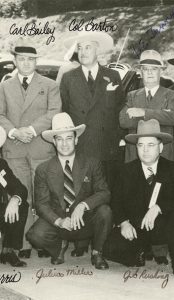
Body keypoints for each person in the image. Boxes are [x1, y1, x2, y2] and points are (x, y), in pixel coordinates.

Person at [104, 119, 174, 276]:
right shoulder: (125, 171)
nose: (145, 150)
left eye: (151, 145)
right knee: (110, 248)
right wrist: (123, 223)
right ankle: (142, 251)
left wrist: (159, 207)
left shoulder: (173, 169)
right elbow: (115, 201)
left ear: (161, 147)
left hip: (164, 227)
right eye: (141, 145)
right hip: (137, 227)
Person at [0, 38, 61, 259]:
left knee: (43, 196)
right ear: (15, 61)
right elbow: (0, 114)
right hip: (14, 147)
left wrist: (32, 130)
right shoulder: (4, 86)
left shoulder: (50, 85)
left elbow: (55, 112)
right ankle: (23, 243)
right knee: (20, 195)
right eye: (21, 59)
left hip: (40, 147)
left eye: (30, 59)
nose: (26, 63)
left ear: (36, 61)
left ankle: (42, 241)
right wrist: (15, 132)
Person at [26, 113, 112, 269]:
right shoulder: (43, 169)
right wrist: (59, 221)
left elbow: (104, 192)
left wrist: (83, 205)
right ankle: (59, 247)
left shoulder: (92, 163)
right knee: (34, 235)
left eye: (69, 138)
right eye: (59, 139)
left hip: (84, 220)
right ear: (54, 142)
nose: (64, 144)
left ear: (76, 139)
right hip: (60, 223)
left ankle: (97, 252)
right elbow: (41, 204)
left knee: (105, 212)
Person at [60, 32, 125, 190]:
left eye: (88, 47)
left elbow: (121, 108)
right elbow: (64, 111)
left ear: (98, 51)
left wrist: (118, 139)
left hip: (106, 148)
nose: (83, 52)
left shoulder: (113, 75)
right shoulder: (68, 78)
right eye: (80, 48)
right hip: (81, 147)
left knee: (107, 195)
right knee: (83, 195)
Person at [119, 50, 174, 163]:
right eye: (146, 69)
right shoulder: (132, 95)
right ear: (140, 72)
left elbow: (173, 118)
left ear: (161, 71)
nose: (150, 73)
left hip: (164, 155)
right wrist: (160, 115)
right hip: (135, 156)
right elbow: (124, 121)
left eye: (154, 69)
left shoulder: (171, 95)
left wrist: (142, 112)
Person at [0, 126, 28, 267]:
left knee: (21, 204)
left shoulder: (1, 165)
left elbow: (20, 188)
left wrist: (15, 199)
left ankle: (9, 250)